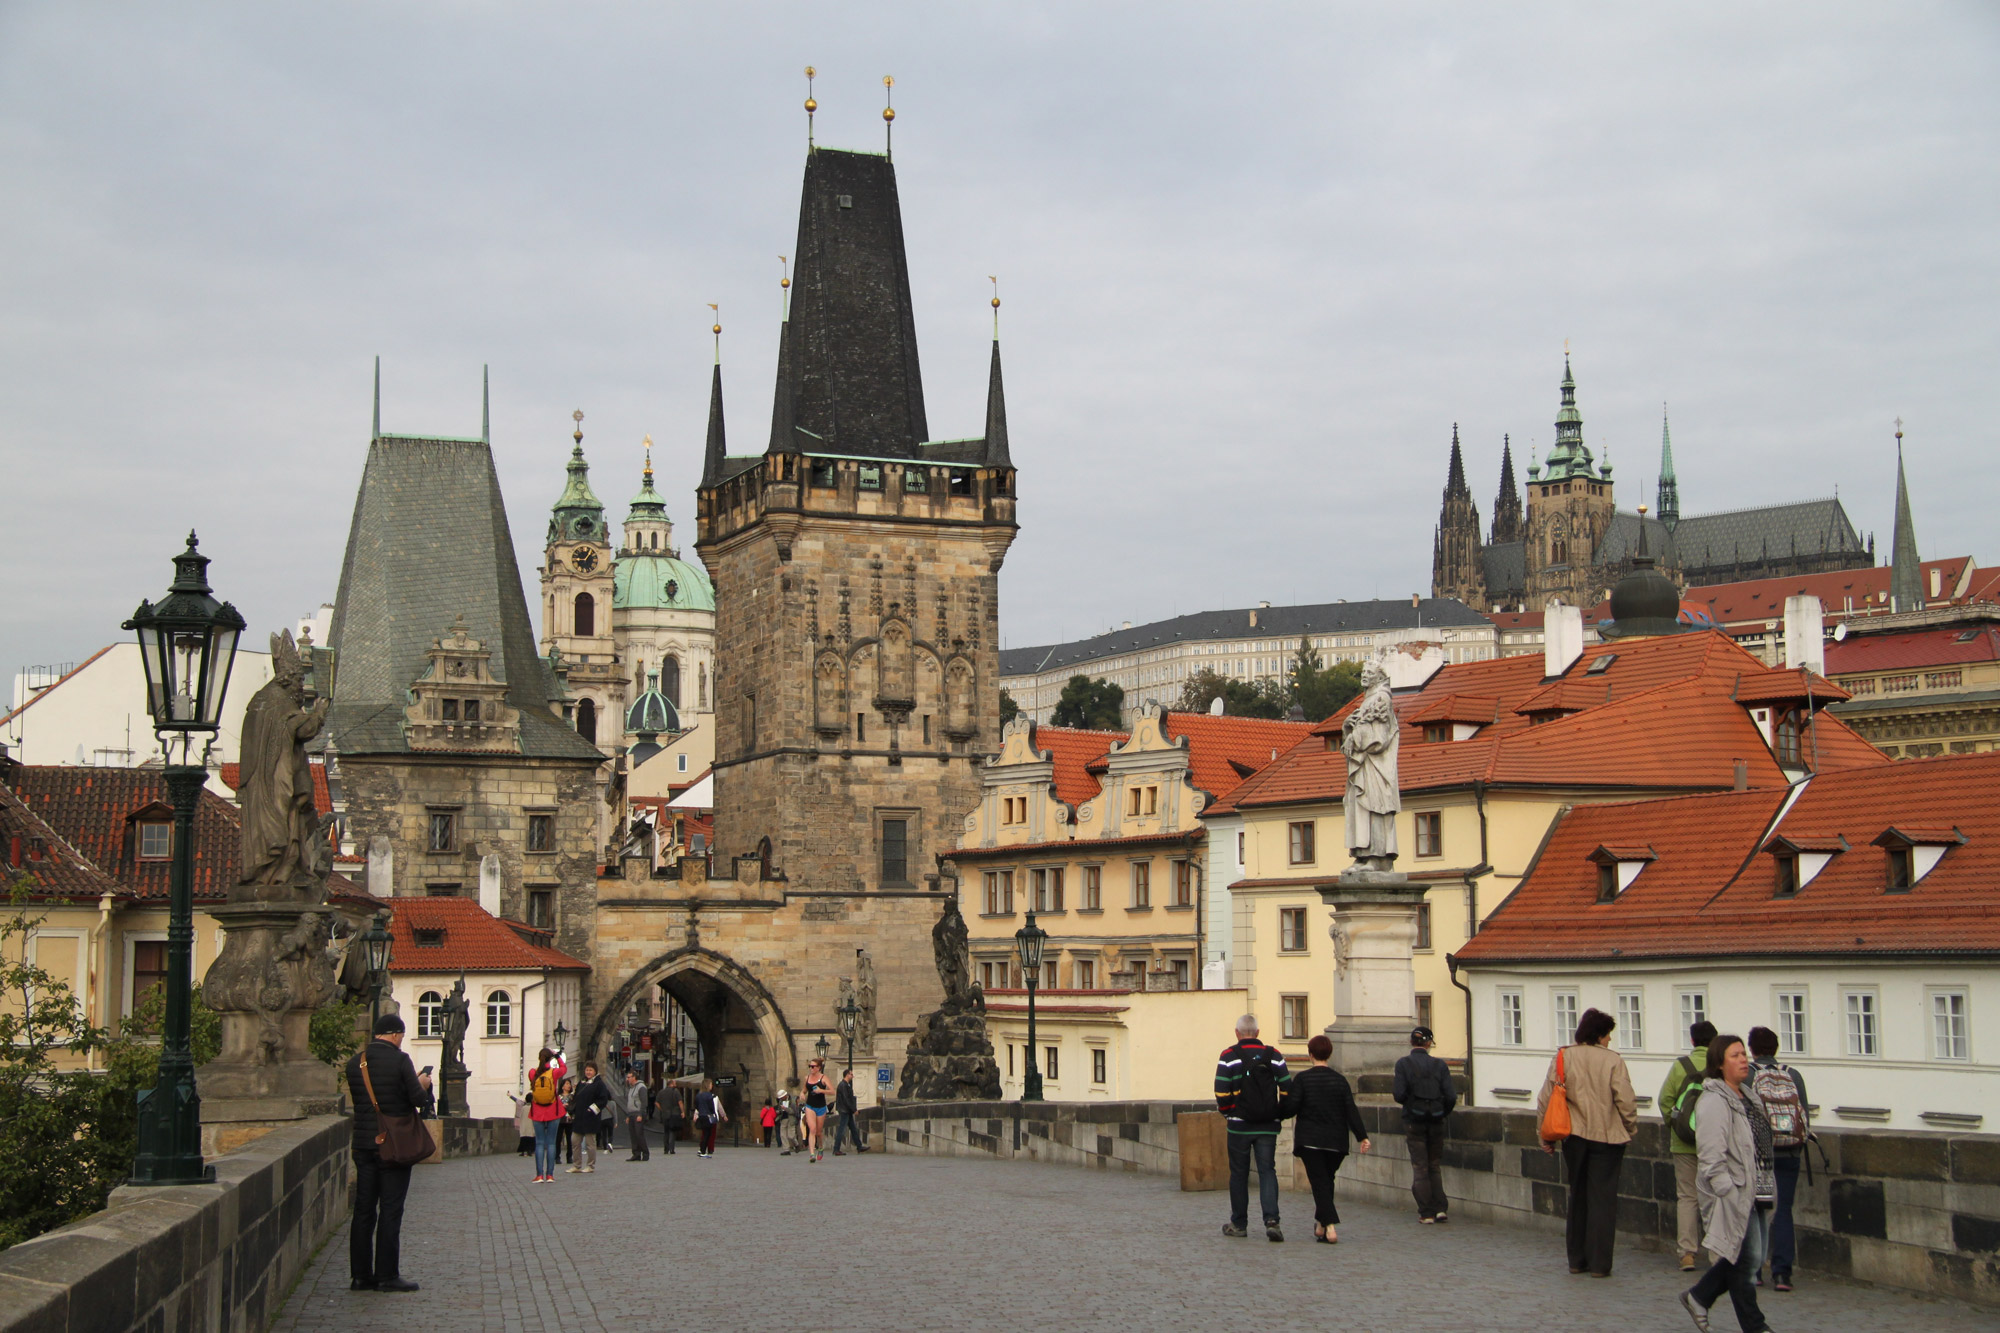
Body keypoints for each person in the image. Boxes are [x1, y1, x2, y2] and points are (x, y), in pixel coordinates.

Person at [1680, 1034, 1775, 1333]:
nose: (1743, 1059)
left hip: (1758, 1187)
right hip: (1735, 1190)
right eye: (1735, 1055)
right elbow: (1710, 1152)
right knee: (1745, 1260)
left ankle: (1698, 1297)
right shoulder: (1714, 1100)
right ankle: (1755, 1326)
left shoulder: (1749, 1095)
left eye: (1743, 1054)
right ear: (1719, 1064)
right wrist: (1727, 1189)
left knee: (1750, 1257)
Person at [1537, 1006, 1638, 1278]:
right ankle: (1600, 1264)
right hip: (1607, 1137)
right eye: (1608, 1035)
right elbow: (1625, 1101)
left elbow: (1546, 1098)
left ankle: (1576, 1260)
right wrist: (1630, 1126)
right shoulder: (1613, 1061)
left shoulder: (1563, 1056)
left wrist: (1544, 1136)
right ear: (1600, 1034)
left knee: (1578, 1196)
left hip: (1575, 1137)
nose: (1610, 1041)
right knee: (1603, 1200)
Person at [345, 1012, 432, 1292]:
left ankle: (360, 1276)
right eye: (401, 1037)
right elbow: (417, 1100)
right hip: (393, 1145)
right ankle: (386, 1275)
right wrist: (423, 1085)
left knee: (363, 1210)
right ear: (396, 1035)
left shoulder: (354, 1063)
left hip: (363, 1144)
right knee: (391, 1209)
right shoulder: (400, 1060)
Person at [1214, 1013, 1294, 1242]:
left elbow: (1221, 1092)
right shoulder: (1274, 1055)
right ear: (1257, 1033)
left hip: (1239, 1126)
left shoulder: (1228, 1056)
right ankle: (1272, 1221)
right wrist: (1277, 1114)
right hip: (1268, 1125)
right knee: (1267, 1171)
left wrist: (1230, 1112)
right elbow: (1287, 1090)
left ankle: (1239, 1224)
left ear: (1237, 1033)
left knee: (1238, 1173)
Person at [1747, 1026, 1810, 1294]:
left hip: (1760, 1154)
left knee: (1757, 1209)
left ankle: (1755, 1270)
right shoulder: (1792, 1074)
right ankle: (1783, 1274)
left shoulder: (1749, 1074)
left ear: (1751, 1049)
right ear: (1776, 1048)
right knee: (1783, 1210)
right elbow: (1804, 1114)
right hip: (1790, 1151)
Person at [1291, 1033, 1371, 1243]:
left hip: (1310, 1140)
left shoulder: (1303, 1079)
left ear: (1310, 1055)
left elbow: (1291, 1107)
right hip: (1336, 1142)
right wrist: (1362, 1136)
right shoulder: (1340, 1081)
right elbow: (1351, 1111)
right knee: (1326, 1180)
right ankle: (1321, 1226)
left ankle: (1331, 1227)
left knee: (1319, 1182)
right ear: (1329, 1054)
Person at [1660, 1019, 1720, 1271]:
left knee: (1687, 1197)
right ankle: (1718, 1254)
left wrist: (1676, 1127)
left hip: (1684, 1143)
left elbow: (1665, 1100)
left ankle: (1687, 1253)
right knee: (1717, 1196)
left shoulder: (1680, 1065)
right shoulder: (1719, 1065)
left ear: (1692, 1041)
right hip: (1715, 1143)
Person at [1392, 1025, 1458, 1224]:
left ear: (1412, 1042)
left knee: (1420, 1166)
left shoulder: (1403, 1064)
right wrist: (1440, 1112)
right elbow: (1451, 1096)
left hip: (1414, 1121)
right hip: (1436, 1120)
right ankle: (1440, 1208)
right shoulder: (1440, 1065)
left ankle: (1426, 1212)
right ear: (1429, 1043)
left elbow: (1399, 1094)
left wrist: (1413, 1105)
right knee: (1434, 1165)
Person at [527, 1047, 568, 1184]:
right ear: (550, 1059)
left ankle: (539, 1175)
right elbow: (564, 1068)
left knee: (539, 1143)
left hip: (537, 1111)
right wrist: (557, 1056)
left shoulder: (532, 1073)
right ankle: (550, 1175)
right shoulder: (554, 1073)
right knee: (551, 1143)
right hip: (553, 1110)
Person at [567, 1061, 613, 1173]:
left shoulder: (599, 1084)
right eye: (587, 1070)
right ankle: (576, 1165)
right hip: (579, 1118)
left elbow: (603, 1100)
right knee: (575, 1141)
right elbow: (575, 1098)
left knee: (590, 1144)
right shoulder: (581, 1083)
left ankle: (590, 1165)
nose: (588, 1072)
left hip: (591, 1118)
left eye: (590, 1070)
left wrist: (592, 1109)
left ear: (595, 1071)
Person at [802, 1058, 834, 1162]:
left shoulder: (823, 1078)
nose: (811, 1068)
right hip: (810, 1106)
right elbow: (804, 1090)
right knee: (812, 1129)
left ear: (818, 1068)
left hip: (820, 1107)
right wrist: (802, 1094)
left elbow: (833, 1091)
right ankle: (812, 1154)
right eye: (810, 1066)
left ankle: (820, 1147)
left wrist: (821, 1090)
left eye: (813, 1066)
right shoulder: (807, 1078)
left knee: (819, 1132)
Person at [831, 1068, 868, 1155]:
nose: (852, 1076)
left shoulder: (845, 1085)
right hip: (845, 1110)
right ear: (847, 1075)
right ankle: (836, 1149)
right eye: (851, 1074)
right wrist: (854, 1110)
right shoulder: (843, 1085)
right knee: (841, 1129)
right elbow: (846, 1099)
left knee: (853, 1129)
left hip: (846, 1110)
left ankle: (859, 1146)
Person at [623, 1069, 651, 1161]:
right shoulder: (631, 1088)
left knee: (639, 1134)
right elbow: (630, 1102)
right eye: (627, 1077)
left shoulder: (641, 1087)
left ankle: (645, 1153)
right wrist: (628, 1115)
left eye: (629, 1077)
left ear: (634, 1077)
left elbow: (644, 1102)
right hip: (631, 1114)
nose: (627, 1079)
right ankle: (636, 1153)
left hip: (638, 1113)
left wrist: (641, 1114)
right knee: (633, 1135)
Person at [694, 1077, 725, 1156]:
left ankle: (702, 1149)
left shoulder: (698, 1095)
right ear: (708, 1085)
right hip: (708, 1116)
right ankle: (703, 1151)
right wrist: (713, 1113)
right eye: (711, 1084)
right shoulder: (710, 1095)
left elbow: (696, 1106)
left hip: (701, 1116)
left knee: (704, 1134)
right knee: (708, 1134)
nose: (712, 1086)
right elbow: (712, 1106)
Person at [658, 1081, 683, 1155]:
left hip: (665, 1114)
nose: (676, 1085)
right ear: (671, 1084)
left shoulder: (661, 1092)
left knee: (666, 1132)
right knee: (672, 1131)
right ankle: (672, 1149)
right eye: (675, 1083)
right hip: (674, 1114)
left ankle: (666, 1149)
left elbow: (656, 1102)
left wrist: (662, 1109)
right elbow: (680, 1102)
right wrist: (682, 1111)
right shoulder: (676, 1092)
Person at [508, 1086, 534, 1156]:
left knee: (524, 1138)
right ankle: (530, 1151)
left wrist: (510, 1095)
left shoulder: (523, 1106)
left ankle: (524, 1151)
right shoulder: (533, 1107)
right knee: (531, 1138)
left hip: (523, 1125)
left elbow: (516, 1100)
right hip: (531, 1125)